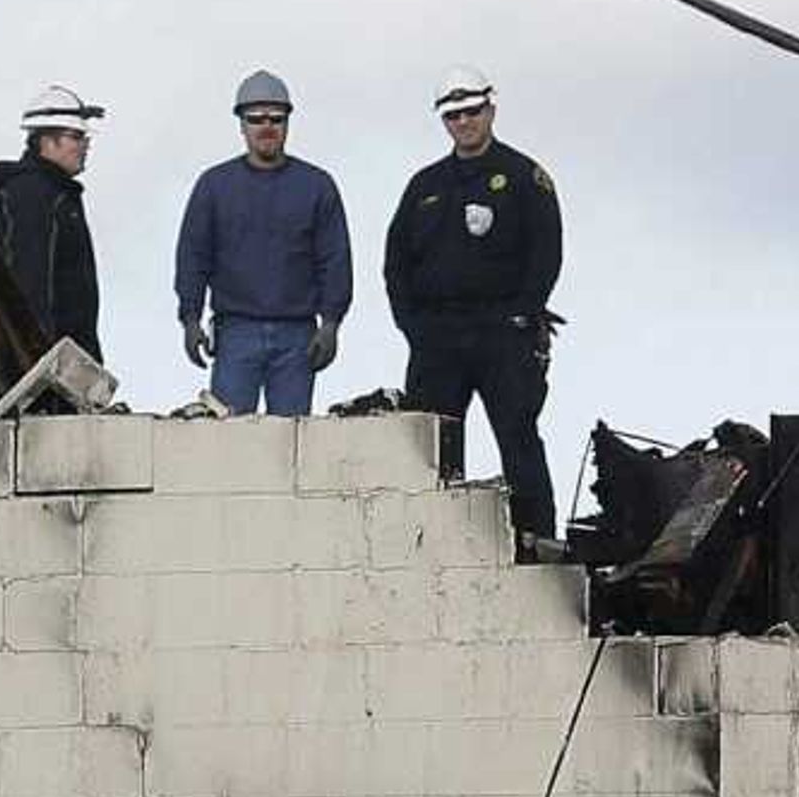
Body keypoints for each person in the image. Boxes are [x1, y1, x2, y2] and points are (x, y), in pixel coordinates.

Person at [383, 64, 564, 548]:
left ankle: (535, 542)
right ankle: (430, 546)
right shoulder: (424, 186)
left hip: (503, 333)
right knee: (430, 450)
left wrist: (524, 314)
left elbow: (547, 251)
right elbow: (395, 262)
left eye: (471, 111)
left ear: (491, 108)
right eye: (453, 116)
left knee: (519, 438)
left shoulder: (525, 177)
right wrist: (414, 328)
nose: (463, 122)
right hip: (438, 339)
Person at [172, 70, 352, 416]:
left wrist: (331, 323)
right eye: (256, 119)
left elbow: (334, 259)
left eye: (276, 118)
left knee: (290, 446)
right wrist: (190, 319)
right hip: (236, 333)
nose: (266, 127)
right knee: (230, 442)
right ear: (241, 124)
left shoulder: (316, 186)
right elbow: (193, 257)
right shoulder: (214, 186)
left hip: (298, 337)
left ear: (288, 123)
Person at [0, 84, 105, 368]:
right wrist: (39, 359)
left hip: (67, 355)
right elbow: (29, 280)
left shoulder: (56, 193)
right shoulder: (32, 193)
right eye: (75, 136)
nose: (85, 144)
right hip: (48, 361)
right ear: (46, 141)